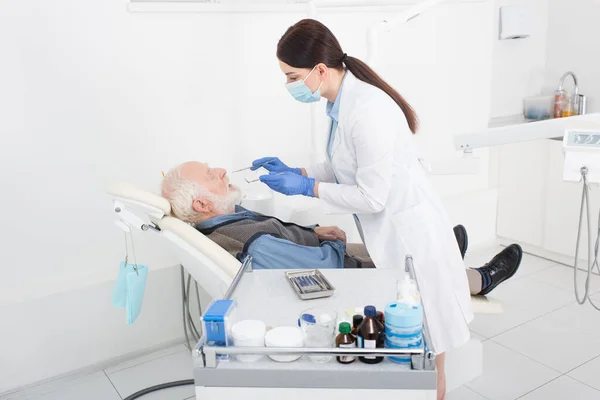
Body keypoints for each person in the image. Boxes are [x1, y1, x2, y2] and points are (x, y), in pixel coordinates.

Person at [249, 19, 522, 399]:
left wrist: (308, 187)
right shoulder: (340, 104)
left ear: (321, 70)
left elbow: (371, 196)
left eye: (292, 77)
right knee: (417, 344)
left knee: (428, 353)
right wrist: (298, 171)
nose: (290, 86)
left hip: (412, 235)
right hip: (396, 234)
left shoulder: (367, 109)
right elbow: (345, 165)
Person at [161, 161, 522, 297]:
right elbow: (327, 269)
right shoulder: (246, 242)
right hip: (343, 277)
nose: (222, 170)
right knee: (409, 262)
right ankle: (479, 279)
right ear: (201, 205)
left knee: (399, 243)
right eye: (211, 175)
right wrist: (336, 244)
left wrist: (316, 232)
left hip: (320, 256)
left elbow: (277, 232)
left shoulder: (224, 217)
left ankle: (441, 254)